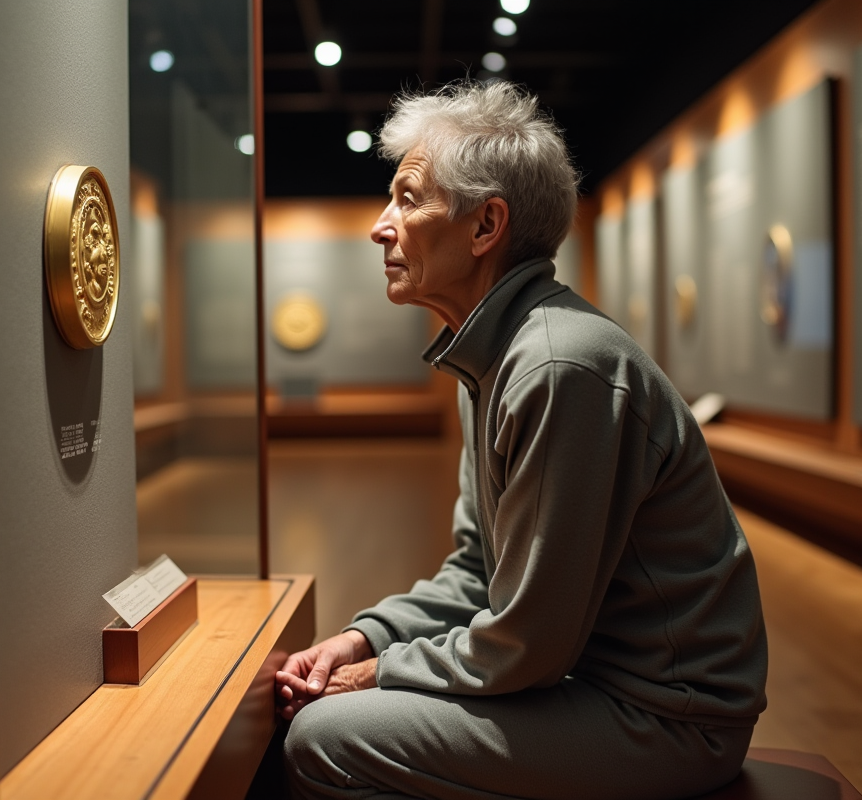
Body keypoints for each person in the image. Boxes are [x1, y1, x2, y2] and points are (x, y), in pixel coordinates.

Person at [274, 81, 767, 800]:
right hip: (591, 685)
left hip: (668, 718)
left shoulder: (558, 365)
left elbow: (529, 644)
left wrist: (373, 675)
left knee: (324, 739)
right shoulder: (494, 356)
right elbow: (479, 569)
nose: (381, 226)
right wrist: (365, 638)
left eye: (408, 199)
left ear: (485, 226)